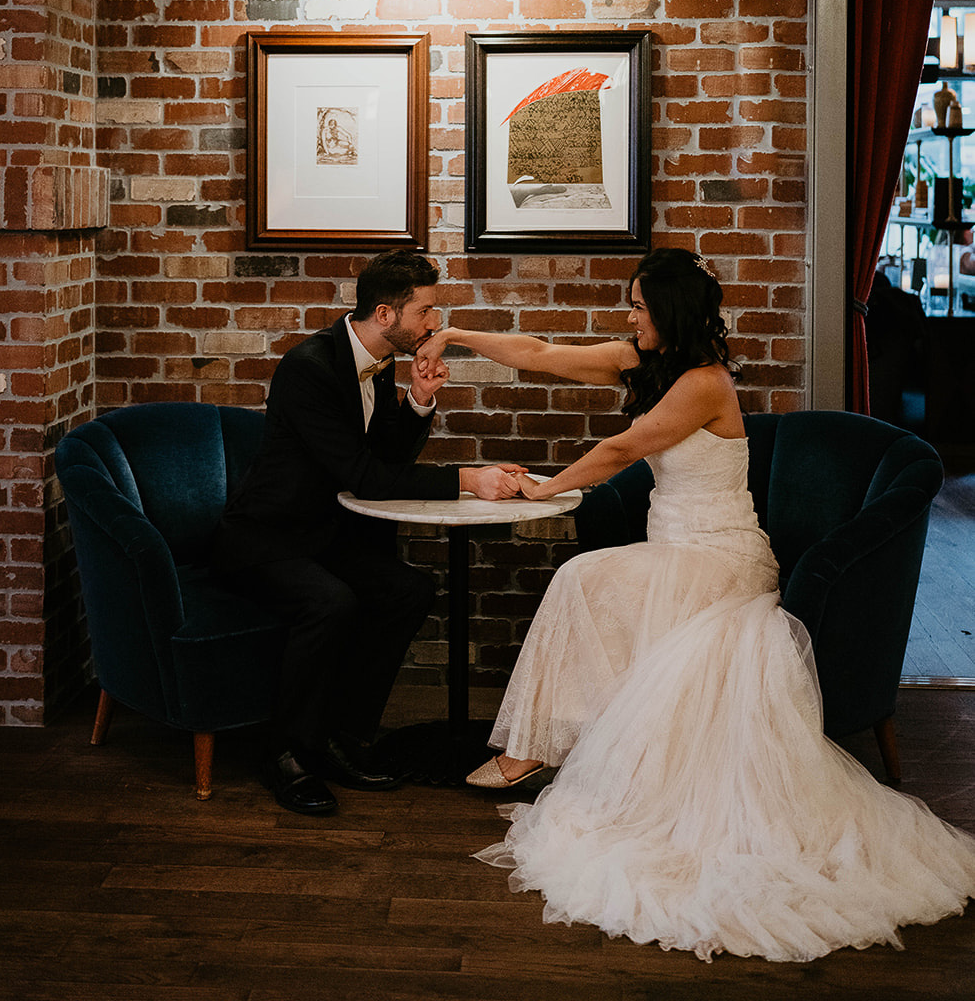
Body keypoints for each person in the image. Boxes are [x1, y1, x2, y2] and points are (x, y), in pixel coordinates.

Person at [415, 248, 975, 963]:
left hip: (719, 560)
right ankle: (549, 748)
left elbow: (623, 448)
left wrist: (545, 486)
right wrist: (456, 336)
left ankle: (535, 749)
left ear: (668, 314)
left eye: (637, 307)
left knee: (584, 579)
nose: (627, 317)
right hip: (672, 553)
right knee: (590, 582)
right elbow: (538, 352)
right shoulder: (643, 361)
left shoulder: (704, 383)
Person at [208, 248, 521, 819]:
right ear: (386, 313)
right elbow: (364, 476)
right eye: (426, 312)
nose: (436, 324)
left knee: (409, 590)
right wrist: (466, 479)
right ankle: (286, 754)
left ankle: (342, 738)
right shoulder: (311, 366)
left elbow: (386, 458)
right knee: (330, 601)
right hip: (266, 538)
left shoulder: (380, 362)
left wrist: (420, 399)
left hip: (324, 535)